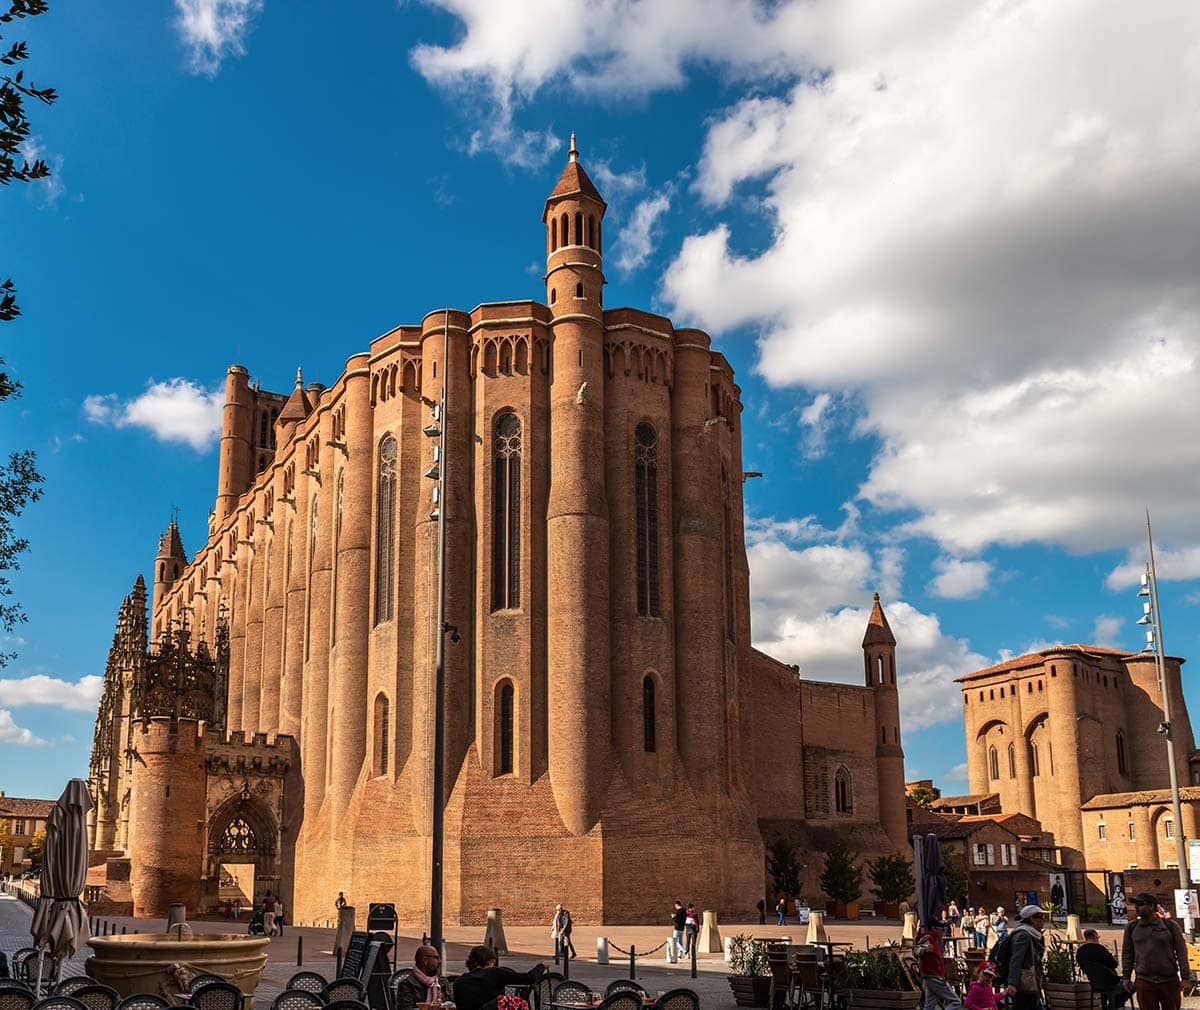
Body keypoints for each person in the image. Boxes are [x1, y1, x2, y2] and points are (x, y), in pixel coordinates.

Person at [1122, 891, 1192, 1010]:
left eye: (1140, 904)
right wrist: (1126, 977)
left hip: (1169, 980)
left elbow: (1181, 953)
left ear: (1151, 906)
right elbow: (1127, 954)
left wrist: (1185, 978)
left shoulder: (1170, 926)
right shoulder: (1132, 927)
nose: (1136, 907)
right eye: (1135, 904)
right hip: (1144, 980)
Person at [452, 945, 546, 1010]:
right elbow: (528, 978)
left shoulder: (458, 982)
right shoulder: (494, 973)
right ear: (490, 961)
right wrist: (542, 966)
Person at [1003, 905, 1046, 1010]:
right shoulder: (1023, 934)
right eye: (1041, 917)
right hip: (1024, 983)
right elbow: (1016, 959)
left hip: (1031, 981)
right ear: (1032, 919)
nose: (1043, 920)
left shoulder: (1033, 934)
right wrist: (1012, 983)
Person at [915, 920, 962, 1010]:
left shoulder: (934, 939)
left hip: (932, 976)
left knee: (929, 1006)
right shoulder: (928, 938)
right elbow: (915, 950)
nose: (944, 931)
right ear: (934, 929)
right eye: (942, 929)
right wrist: (924, 950)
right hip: (933, 976)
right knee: (956, 1001)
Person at [1077, 928, 1129, 1009]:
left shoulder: (1080, 951)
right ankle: (1116, 1005)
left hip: (1094, 982)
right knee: (1132, 986)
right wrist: (1114, 959)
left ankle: (1111, 1005)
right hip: (1111, 981)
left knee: (1109, 988)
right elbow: (1114, 964)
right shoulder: (1100, 949)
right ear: (1095, 937)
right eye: (1098, 937)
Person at [395, 944, 451, 1010]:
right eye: (436, 958)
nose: (439, 961)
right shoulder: (407, 984)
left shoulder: (442, 982)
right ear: (425, 960)